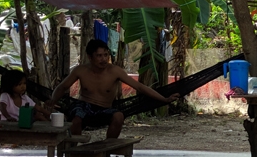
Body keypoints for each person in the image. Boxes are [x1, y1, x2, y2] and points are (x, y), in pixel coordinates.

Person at [49, 39, 179, 138]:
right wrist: (52, 101)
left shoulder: (115, 71)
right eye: (99, 56)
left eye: (106, 55)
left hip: (104, 108)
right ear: (90, 57)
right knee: (76, 118)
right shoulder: (80, 70)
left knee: (118, 116)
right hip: (84, 106)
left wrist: (164, 99)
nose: (104, 59)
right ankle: (74, 153)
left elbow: (139, 87)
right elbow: (63, 87)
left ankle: (107, 150)